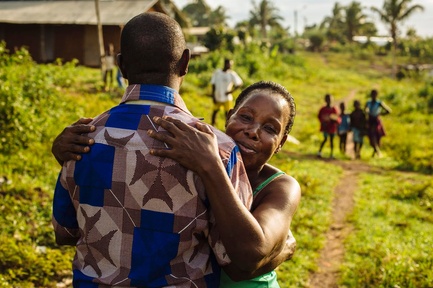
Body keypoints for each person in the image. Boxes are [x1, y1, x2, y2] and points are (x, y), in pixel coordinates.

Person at [51, 12, 253, 287]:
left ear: (121, 66)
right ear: (185, 63)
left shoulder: (78, 140)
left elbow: (64, 232)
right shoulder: (218, 151)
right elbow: (233, 254)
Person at [52, 81, 301, 287]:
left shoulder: (280, 187)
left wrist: (212, 167)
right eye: (245, 117)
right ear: (227, 118)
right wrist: (66, 154)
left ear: (281, 142)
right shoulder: (194, 153)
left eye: (270, 128)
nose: (253, 131)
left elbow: (244, 263)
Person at [210, 58, 243, 126]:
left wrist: (231, 91)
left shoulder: (232, 74)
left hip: (227, 97)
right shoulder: (218, 72)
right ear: (225, 64)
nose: (230, 66)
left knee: (227, 113)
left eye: (231, 64)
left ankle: (227, 126)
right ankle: (212, 124)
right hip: (218, 96)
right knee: (215, 111)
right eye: (229, 64)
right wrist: (213, 95)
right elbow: (213, 84)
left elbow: (239, 83)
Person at [365, 89, 391, 157]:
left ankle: (377, 152)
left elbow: (388, 111)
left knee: (376, 136)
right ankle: (376, 151)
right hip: (370, 121)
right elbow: (365, 111)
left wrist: (380, 114)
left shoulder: (379, 103)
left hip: (376, 121)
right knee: (371, 136)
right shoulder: (368, 103)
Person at [317, 94, 339, 159]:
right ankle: (319, 152)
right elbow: (319, 117)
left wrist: (334, 120)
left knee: (332, 140)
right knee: (325, 139)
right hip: (325, 128)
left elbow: (337, 118)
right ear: (325, 100)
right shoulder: (323, 109)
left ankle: (331, 154)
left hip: (332, 128)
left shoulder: (334, 109)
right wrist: (323, 122)